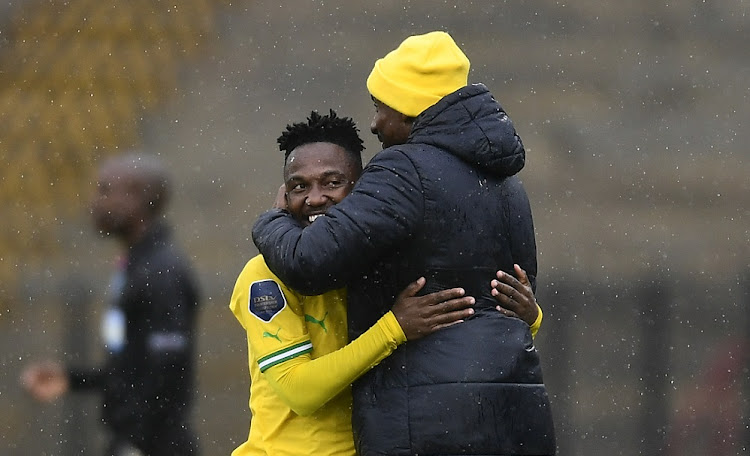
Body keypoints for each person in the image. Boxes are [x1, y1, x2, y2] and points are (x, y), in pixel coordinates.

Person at [252, 32, 556, 455]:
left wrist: (271, 220)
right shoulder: (509, 185)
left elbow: (307, 261)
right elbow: (506, 305)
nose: (375, 123)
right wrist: (533, 316)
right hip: (515, 414)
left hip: (428, 420)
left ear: (410, 106)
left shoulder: (403, 169)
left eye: (381, 106)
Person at [20, 154, 201, 456]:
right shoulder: (138, 264)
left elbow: (166, 374)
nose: (94, 201)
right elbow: (135, 367)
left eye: (104, 190)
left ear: (137, 197)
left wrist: (136, 443)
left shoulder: (161, 271)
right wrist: (72, 379)